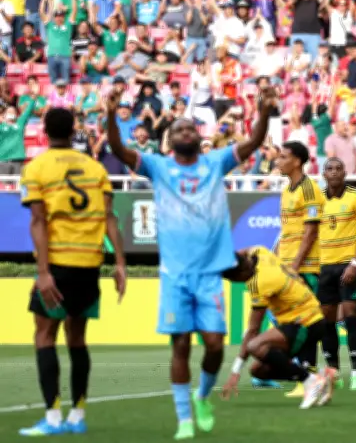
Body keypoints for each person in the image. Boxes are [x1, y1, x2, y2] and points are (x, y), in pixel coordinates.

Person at [104, 87, 276, 440]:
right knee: (180, 345)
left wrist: (263, 110)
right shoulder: (158, 166)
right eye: (178, 129)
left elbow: (254, 142)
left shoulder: (216, 162)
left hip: (210, 274)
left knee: (214, 345)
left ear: (199, 136)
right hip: (175, 275)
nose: (185, 132)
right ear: (169, 140)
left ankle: (202, 397)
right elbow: (119, 150)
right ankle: (184, 420)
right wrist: (109, 114)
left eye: (190, 128)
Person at [18, 107, 126, 436]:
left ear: (44, 131)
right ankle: (77, 416)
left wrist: (43, 272)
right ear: (72, 130)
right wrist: (120, 263)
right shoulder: (95, 168)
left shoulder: (36, 168)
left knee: (44, 335)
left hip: (58, 263)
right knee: (77, 338)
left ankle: (52, 418)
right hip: (89, 264)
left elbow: (38, 220)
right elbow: (110, 217)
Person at [219, 246, 333, 409]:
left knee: (255, 346)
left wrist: (236, 371)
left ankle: (310, 380)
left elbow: (253, 330)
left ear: (240, 274)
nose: (236, 283)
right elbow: (245, 251)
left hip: (306, 322)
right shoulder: (260, 252)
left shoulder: (260, 282)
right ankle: (322, 376)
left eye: (232, 280)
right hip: (307, 317)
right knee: (259, 370)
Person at [255, 141, 324, 398]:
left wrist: (295, 266)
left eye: (283, 157)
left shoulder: (310, 189)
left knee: (305, 321)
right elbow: (287, 232)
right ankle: (307, 376)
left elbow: (311, 231)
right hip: (287, 265)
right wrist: (277, 262)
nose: (278, 161)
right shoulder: (286, 190)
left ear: (297, 161)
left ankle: (309, 378)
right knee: (289, 322)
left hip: (305, 267)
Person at [319, 158, 356, 390]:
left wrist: (355, 263)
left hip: (347, 265)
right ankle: (334, 373)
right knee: (326, 321)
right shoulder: (316, 200)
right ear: (324, 174)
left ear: (345, 173)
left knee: (351, 316)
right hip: (324, 267)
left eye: (338, 169)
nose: (334, 172)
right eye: (329, 169)